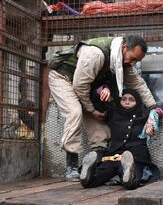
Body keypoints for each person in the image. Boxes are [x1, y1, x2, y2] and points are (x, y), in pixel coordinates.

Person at [48, 35, 156, 181]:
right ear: (124, 47)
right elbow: (80, 86)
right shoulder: (95, 54)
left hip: (85, 86)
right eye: (133, 58)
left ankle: (95, 162)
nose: (133, 63)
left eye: (137, 61)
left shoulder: (122, 61)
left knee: (100, 126)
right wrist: (92, 110)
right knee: (75, 112)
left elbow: (138, 84)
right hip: (63, 78)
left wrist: (154, 108)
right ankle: (71, 166)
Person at [80, 88, 163, 189]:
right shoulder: (113, 112)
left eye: (132, 100)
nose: (127, 102)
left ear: (137, 101)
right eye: (124, 99)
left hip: (136, 156)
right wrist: (103, 90)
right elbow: (97, 102)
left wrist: (154, 114)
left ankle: (128, 174)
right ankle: (87, 177)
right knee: (102, 172)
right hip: (113, 154)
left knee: (132, 174)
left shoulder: (143, 112)